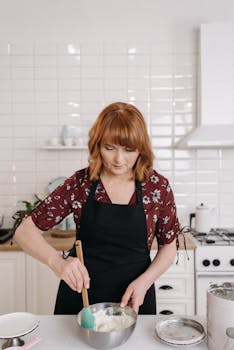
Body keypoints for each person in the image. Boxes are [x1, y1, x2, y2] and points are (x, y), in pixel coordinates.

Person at [14, 101, 180, 315]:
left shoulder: (157, 187)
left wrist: (146, 281)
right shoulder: (81, 183)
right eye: (109, 148)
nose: (119, 159)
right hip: (81, 298)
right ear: (97, 145)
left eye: (128, 149)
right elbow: (24, 231)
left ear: (141, 148)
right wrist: (56, 261)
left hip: (135, 297)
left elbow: (169, 245)